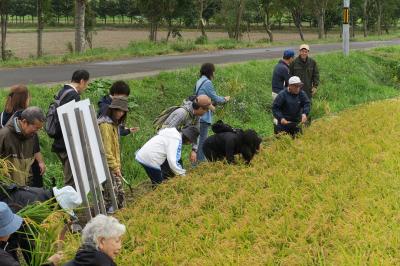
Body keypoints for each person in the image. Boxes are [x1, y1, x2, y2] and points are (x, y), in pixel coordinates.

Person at [0, 185, 81, 264]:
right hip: (4, 224)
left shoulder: (43, 196)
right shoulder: (37, 204)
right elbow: (26, 239)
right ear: (58, 205)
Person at [0, 85, 46, 187]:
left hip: (22, 176)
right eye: (28, 97)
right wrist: (40, 162)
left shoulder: (4, 115)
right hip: (9, 181)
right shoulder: (7, 132)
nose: (36, 132)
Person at [51, 70, 90, 187]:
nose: (86, 87)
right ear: (82, 81)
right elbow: (73, 122)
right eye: (86, 84)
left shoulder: (62, 91)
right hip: (67, 144)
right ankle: (68, 204)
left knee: (71, 179)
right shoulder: (73, 95)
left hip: (59, 141)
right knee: (71, 182)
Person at [135, 126, 199, 185]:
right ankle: (156, 195)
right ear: (188, 138)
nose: (189, 143)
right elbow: (173, 161)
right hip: (150, 159)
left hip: (142, 155)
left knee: (157, 179)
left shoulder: (171, 133)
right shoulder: (176, 140)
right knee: (158, 185)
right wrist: (183, 175)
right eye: (191, 142)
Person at [161, 94, 211, 164]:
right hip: (164, 145)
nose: (206, 112)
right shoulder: (181, 113)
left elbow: (196, 132)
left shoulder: (196, 116)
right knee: (169, 168)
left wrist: (194, 150)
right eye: (206, 110)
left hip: (174, 144)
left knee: (176, 165)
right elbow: (166, 132)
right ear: (200, 108)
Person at [195, 63, 230, 162]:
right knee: (203, 140)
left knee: (199, 140)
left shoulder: (199, 81)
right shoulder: (207, 83)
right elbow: (215, 98)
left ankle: (198, 160)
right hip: (204, 115)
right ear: (210, 72)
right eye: (213, 71)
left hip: (198, 113)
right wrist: (225, 99)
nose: (214, 74)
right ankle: (200, 163)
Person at [98, 96, 129, 209]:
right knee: (110, 195)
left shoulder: (114, 124)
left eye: (122, 111)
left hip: (113, 165)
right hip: (106, 166)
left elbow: (115, 148)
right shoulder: (105, 125)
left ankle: (120, 215)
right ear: (112, 109)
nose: (120, 113)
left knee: (120, 194)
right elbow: (106, 151)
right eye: (117, 110)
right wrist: (115, 167)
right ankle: (106, 218)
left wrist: (117, 167)